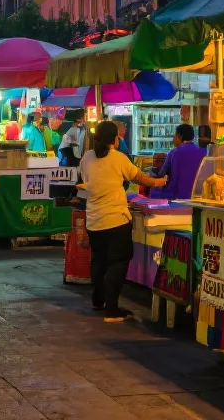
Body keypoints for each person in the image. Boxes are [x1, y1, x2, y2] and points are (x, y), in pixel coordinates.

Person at [79, 121, 167, 322]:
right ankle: (112, 310)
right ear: (114, 139)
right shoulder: (118, 158)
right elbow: (140, 178)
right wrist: (160, 182)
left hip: (94, 220)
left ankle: (98, 301)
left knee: (99, 260)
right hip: (116, 220)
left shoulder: (87, 158)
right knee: (117, 263)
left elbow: (86, 180)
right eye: (118, 136)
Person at [150, 124, 206, 200]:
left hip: (176, 196)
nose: (173, 139)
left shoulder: (174, 152)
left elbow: (161, 174)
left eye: (175, 136)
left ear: (180, 136)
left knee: (153, 189)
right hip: (198, 196)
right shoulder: (203, 152)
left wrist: (154, 169)